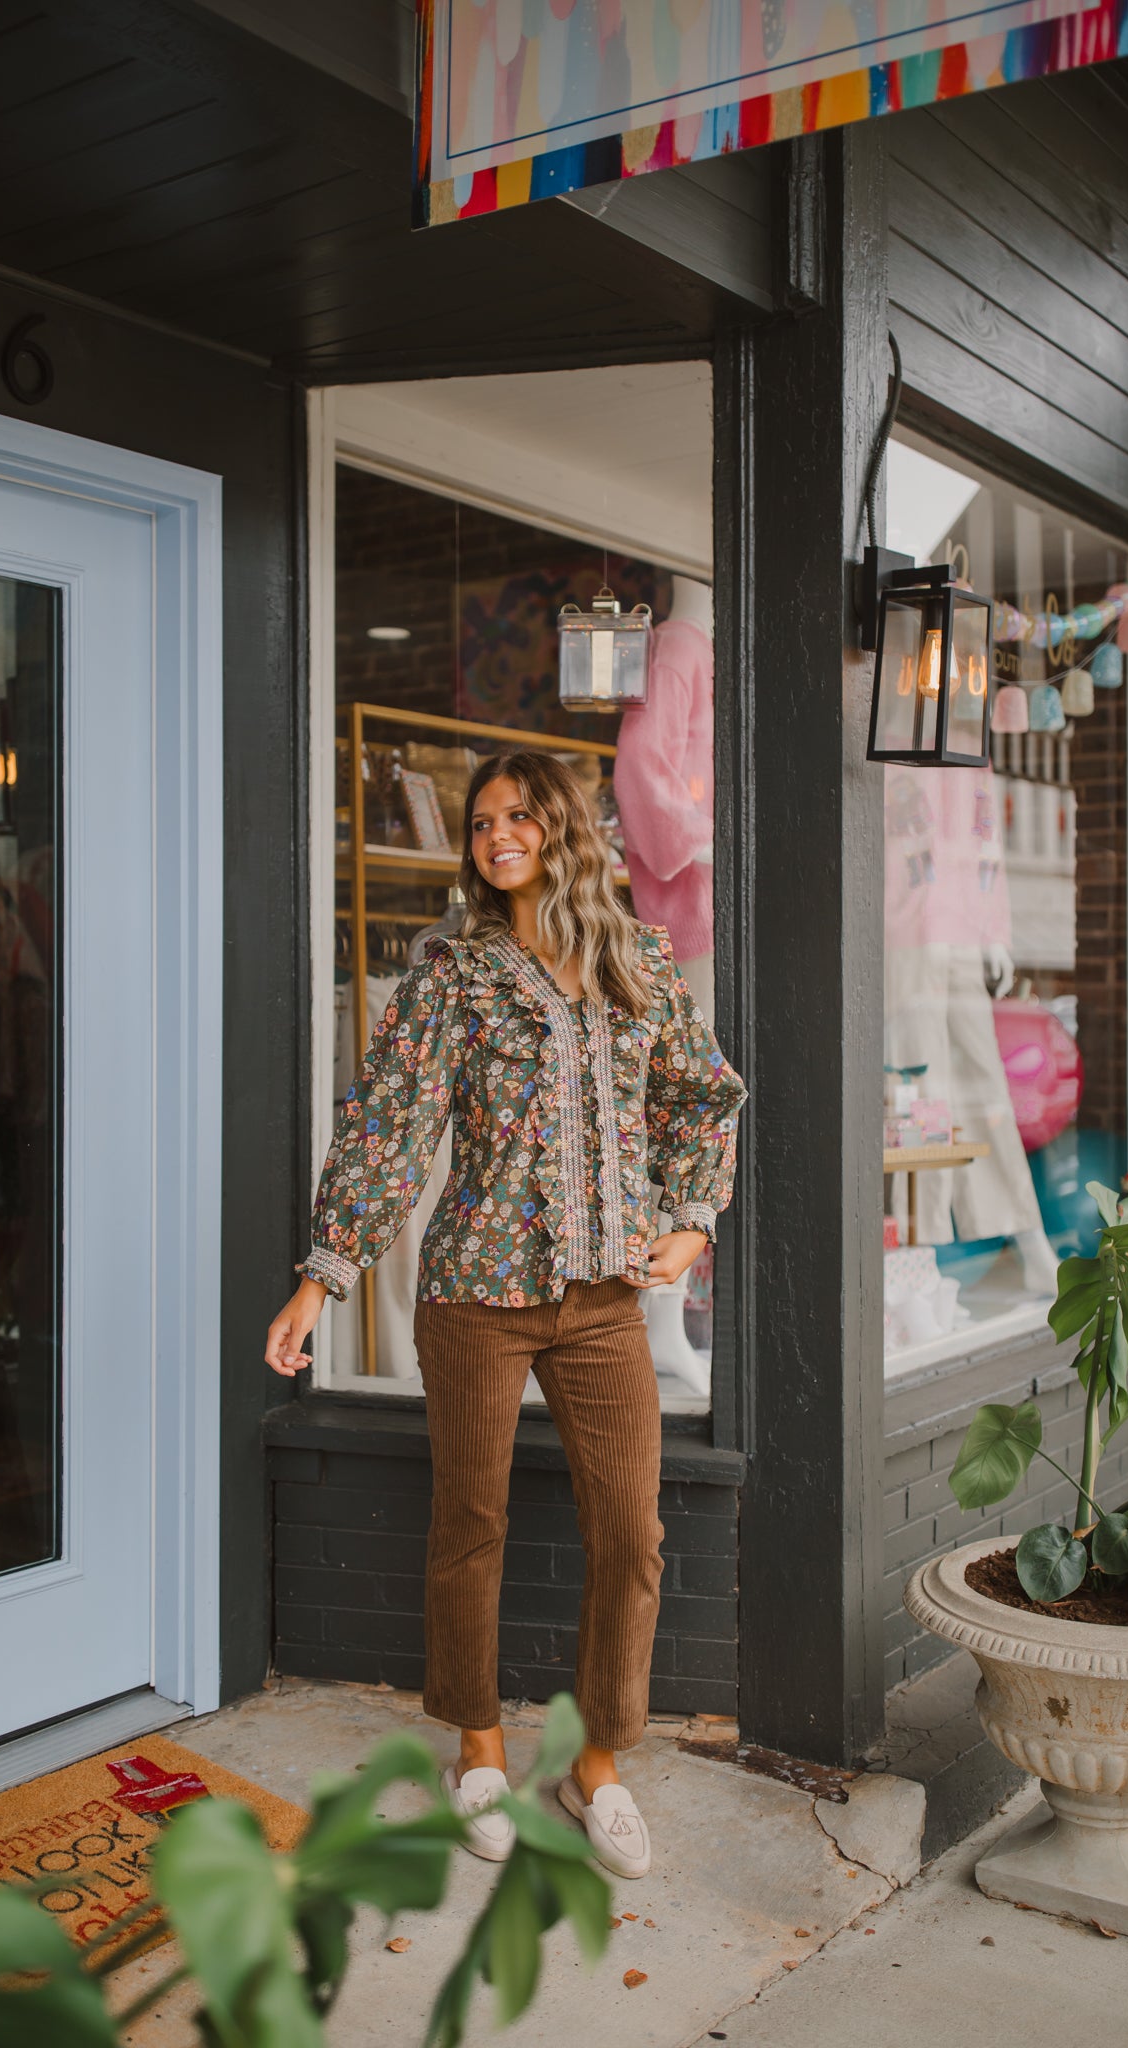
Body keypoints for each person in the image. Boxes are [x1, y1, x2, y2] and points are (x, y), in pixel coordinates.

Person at [265, 750, 746, 1879]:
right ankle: (477, 1746)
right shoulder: (450, 974)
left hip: (603, 1302)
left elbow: (704, 1092)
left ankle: (595, 1763)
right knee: (469, 1522)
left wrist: (694, 1217)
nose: (496, 835)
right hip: (475, 1297)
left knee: (631, 1535)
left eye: (519, 815)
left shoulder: (638, 960)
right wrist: (320, 1275)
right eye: (481, 823)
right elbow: (389, 1127)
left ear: (563, 827)